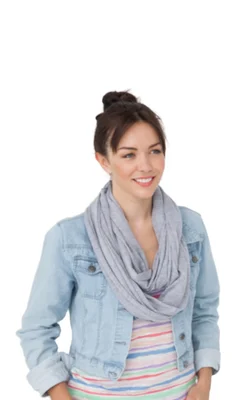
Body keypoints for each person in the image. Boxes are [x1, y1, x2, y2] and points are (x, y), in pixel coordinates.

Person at [17, 92, 220, 400]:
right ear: (103, 160)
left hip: (180, 392)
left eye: (155, 151)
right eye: (129, 155)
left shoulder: (190, 228)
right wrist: (61, 395)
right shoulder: (70, 238)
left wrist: (203, 383)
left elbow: (204, 312)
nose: (146, 166)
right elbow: (37, 328)